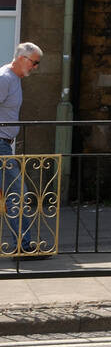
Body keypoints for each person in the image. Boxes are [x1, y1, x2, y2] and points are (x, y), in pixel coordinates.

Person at [0, 42, 43, 257]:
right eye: (34, 62)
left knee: (14, 193)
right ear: (21, 58)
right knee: (17, 193)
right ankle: (23, 245)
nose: (35, 67)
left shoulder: (14, 79)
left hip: (5, 144)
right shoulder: (5, 78)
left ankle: (23, 244)